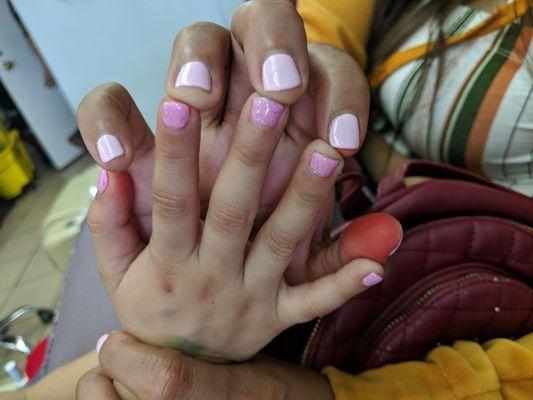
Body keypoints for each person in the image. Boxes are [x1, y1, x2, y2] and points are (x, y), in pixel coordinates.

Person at [3, 0, 532, 399]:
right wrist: (293, 82)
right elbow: (320, 28)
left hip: (436, 294)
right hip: (314, 242)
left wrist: (304, 392)